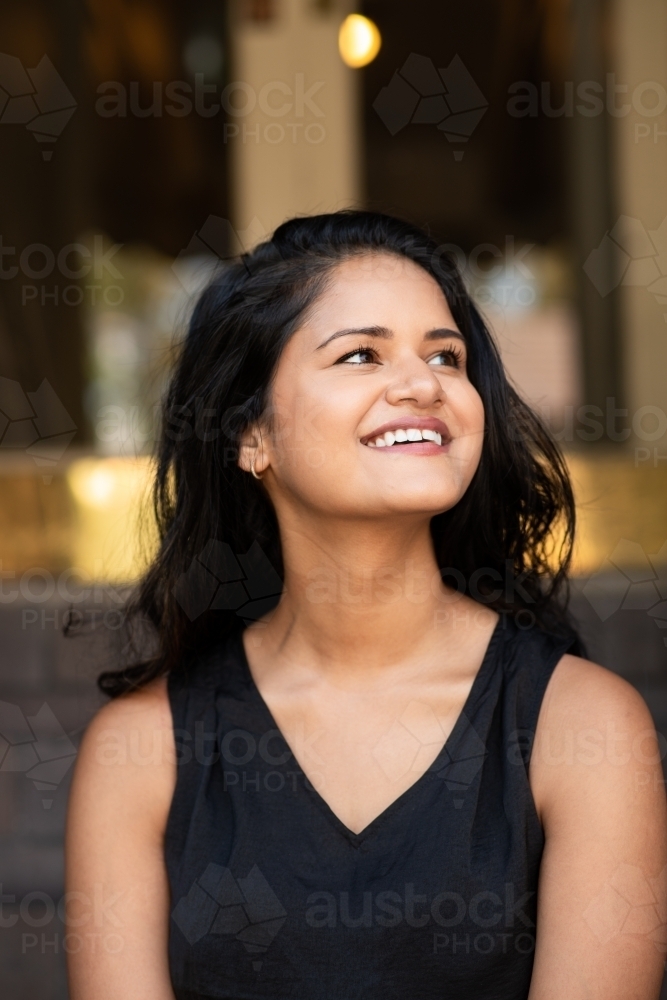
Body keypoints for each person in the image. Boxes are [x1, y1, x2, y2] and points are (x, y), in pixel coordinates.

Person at [65, 211, 667, 999]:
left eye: (445, 357)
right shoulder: (139, 753)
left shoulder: (582, 727)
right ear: (251, 433)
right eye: (360, 354)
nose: (424, 384)